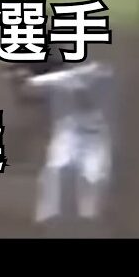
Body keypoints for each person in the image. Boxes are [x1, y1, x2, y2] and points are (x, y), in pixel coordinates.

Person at [24, 60, 117, 227]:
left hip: (93, 131)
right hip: (72, 128)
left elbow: (102, 72)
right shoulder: (62, 81)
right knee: (55, 171)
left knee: (92, 176)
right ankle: (50, 213)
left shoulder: (92, 76)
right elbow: (33, 86)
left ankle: (88, 214)